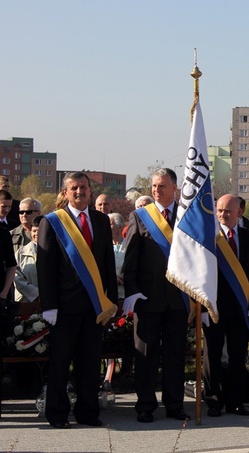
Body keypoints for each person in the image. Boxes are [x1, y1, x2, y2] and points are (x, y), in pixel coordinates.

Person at [37, 171, 118, 428]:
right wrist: (49, 305)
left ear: (90, 191)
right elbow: (45, 268)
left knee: (90, 362)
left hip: (94, 306)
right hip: (63, 307)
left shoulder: (101, 221)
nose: (79, 192)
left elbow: (107, 264)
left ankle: (87, 412)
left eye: (83, 187)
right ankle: (58, 414)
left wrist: (111, 302)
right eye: (74, 188)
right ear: (66, 192)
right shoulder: (52, 222)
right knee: (61, 363)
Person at [122, 168, 191, 423]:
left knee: (174, 355)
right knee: (146, 355)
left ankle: (174, 405)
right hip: (148, 299)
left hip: (178, 300)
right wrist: (132, 293)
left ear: (175, 188)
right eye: (153, 186)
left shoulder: (186, 217)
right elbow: (130, 260)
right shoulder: (140, 216)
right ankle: (145, 406)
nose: (156, 190)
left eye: (162, 186)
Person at [203, 194, 249, 417]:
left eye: (227, 211)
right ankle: (213, 401)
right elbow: (200, 274)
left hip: (240, 307)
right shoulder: (208, 237)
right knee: (213, 357)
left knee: (238, 357)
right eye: (219, 210)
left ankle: (235, 401)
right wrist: (202, 307)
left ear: (239, 212)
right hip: (214, 308)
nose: (222, 215)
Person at [14, 215, 42, 302]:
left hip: (51, 301)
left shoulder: (56, 252)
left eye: (40, 231)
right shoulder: (21, 253)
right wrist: (35, 294)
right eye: (34, 231)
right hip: (25, 302)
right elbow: (16, 277)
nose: (36, 234)